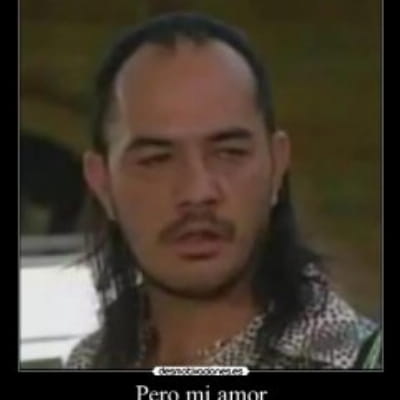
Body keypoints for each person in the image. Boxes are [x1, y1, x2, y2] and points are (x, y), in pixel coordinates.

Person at [66, 12, 381, 369]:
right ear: (102, 183)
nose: (197, 191)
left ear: (277, 165)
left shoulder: (357, 360)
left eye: (229, 153)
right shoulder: (88, 362)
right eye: (156, 159)